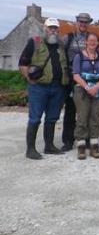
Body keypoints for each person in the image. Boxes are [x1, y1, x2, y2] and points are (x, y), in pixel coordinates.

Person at [19, 18, 68, 159]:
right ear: (45, 28)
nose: (53, 30)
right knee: (35, 118)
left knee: (52, 118)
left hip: (57, 87)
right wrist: (29, 79)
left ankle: (49, 146)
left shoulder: (60, 45)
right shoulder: (34, 42)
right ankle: (30, 149)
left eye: (55, 28)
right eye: (50, 27)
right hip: (39, 87)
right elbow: (23, 63)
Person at [72, 32, 99, 160]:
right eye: (90, 40)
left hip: (97, 91)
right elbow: (75, 75)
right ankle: (81, 147)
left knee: (95, 117)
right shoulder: (79, 57)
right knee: (82, 117)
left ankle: (94, 146)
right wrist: (87, 87)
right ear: (86, 42)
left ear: (98, 43)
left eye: (95, 40)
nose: (93, 42)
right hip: (82, 90)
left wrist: (97, 87)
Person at [61, 12, 92, 152]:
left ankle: (86, 138)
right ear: (76, 22)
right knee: (70, 110)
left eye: (86, 22)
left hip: (88, 78)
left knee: (87, 110)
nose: (83, 24)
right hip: (71, 79)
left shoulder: (92, 39)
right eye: (81, 21)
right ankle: (68, 141)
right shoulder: (68, 37)